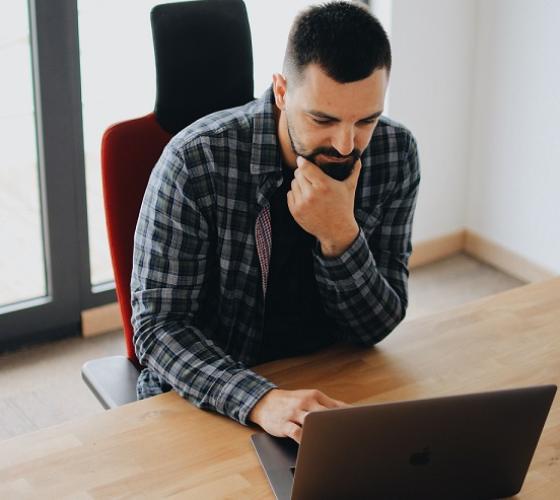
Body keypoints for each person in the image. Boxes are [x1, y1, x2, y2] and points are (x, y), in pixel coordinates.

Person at [131, 1, 420, 444]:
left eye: (366, 120)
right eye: (322, 119)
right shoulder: (195, 162)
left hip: (329, 385)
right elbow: (158, 329)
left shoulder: (395, 154)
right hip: (212, 397)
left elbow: (376, 327)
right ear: (282, 91)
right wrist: (260, 400)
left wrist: (339, 235)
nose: (346, 145)